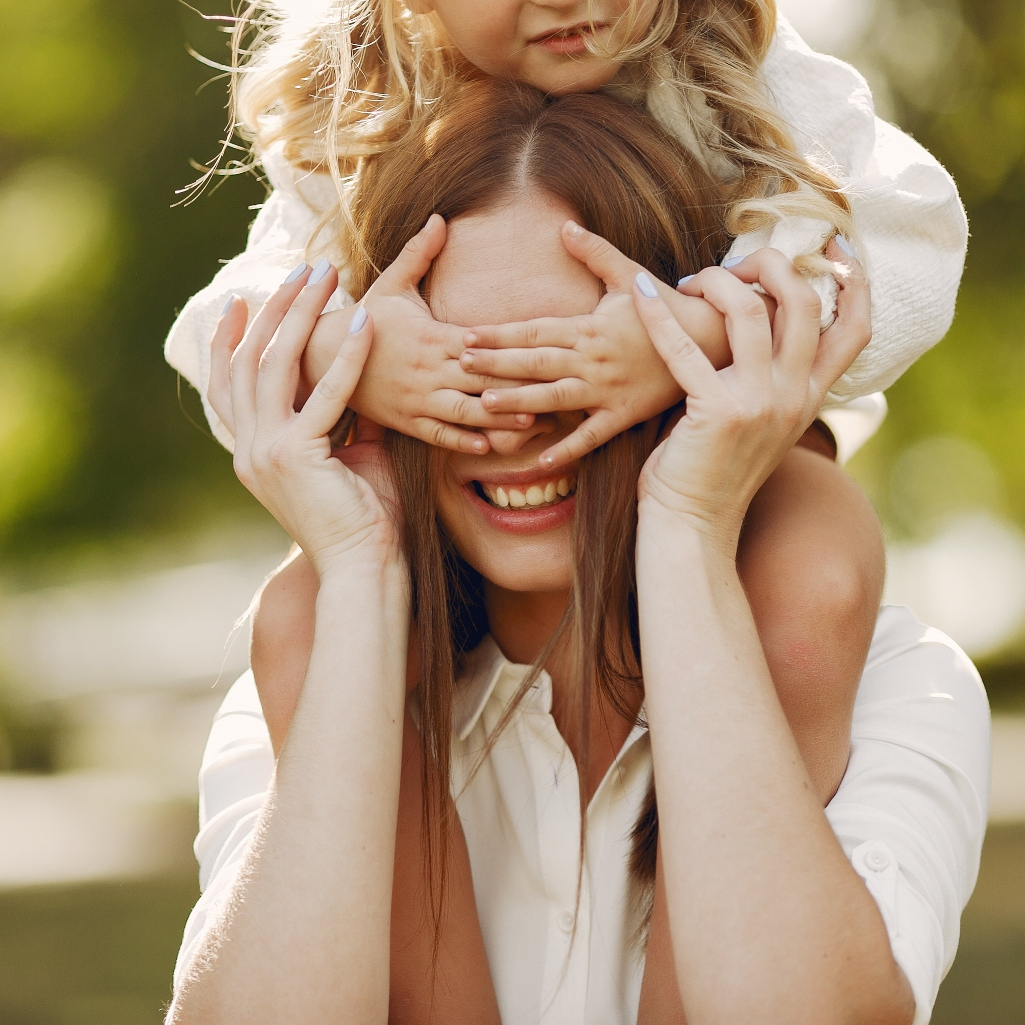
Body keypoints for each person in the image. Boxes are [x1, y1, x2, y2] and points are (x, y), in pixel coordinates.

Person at [167, 82, 989, 1025]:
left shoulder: (895, 686)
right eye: (461, 373)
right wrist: (357, 567)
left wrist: (686, 523)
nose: (515, 424)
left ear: (687, 378)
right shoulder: (310, 685)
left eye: (568, 368)